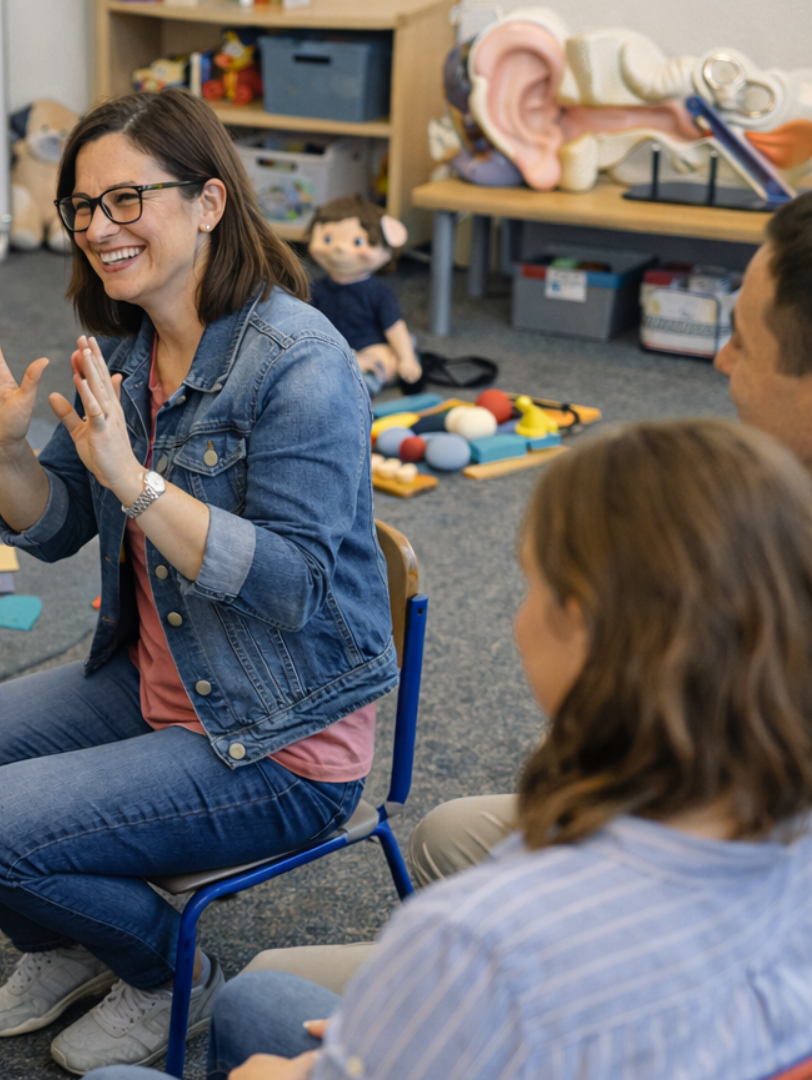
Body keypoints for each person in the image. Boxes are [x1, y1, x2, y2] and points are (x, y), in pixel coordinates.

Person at [0, 88, 396, 1075]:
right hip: (164, 679)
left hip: (277, 735)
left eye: (129, 201)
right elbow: (60, 519)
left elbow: (296, 589)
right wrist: (4, 450)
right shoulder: (129, 348)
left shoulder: (302, 363)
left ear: (209, 203)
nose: (100, 229)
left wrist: (140, 482)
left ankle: (171, 974)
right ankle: (70, 944)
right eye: (84, 208)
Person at [234, 188, 812, 999]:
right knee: (448, 836)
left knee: (264, 993)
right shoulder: (766, 519)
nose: (719, 359)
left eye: (742, 339)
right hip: (699, 861)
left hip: (715, 930)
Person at [206, 419, 812, 1080]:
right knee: (259, 995)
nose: (518, 620)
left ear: (581, 624)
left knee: (240, 1028)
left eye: (531, 585)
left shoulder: (477, 943)